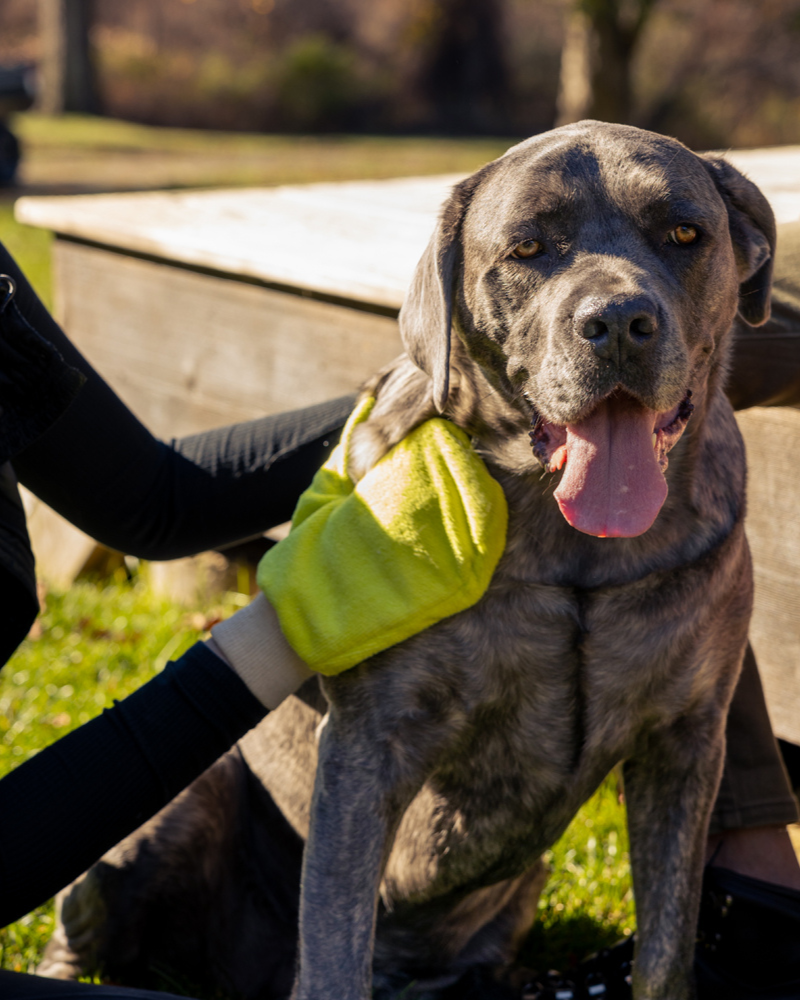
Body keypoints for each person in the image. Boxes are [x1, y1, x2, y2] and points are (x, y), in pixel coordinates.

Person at [0, 216, 799, 998]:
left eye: (680, 239)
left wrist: (442, 405)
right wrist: (285, 630)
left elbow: (153, 500)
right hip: (248, 873)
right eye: (527, 247)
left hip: (463, 930)